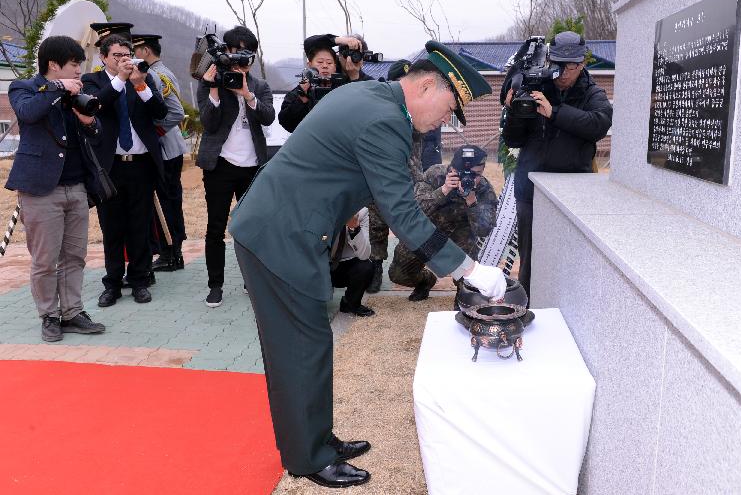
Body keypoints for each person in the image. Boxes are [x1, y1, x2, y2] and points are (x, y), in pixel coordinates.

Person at [230, 40, 506, 488]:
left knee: (311, 341)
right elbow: (402, 212)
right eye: (448, 108)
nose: (445, 123)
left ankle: (317, 438)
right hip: (280, 235)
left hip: (291, 228)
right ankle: (308, 457)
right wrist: (469, 270)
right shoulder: (382, 120)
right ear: (428, 85)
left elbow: (397, 187)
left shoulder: (372, 98)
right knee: (300, 347)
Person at [5, 35, 107, 342]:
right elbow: (27, 113)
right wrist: (58, 88)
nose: (79, 71)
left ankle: (72, 312)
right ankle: (48, 315)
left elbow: (96, 132)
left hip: (76, 187)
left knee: (75, 256)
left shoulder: (79, 91)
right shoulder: (24, 87)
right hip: (40, 189)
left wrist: (88, 121)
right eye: (75, 64)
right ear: (54, 65)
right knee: (45, 259)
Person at [501, 31, 612, 295]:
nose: (563, 72)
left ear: (582, 63)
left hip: (574, 190)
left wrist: (555, 112)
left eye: (571, 65)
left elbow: (599, 123)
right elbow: (514, 140)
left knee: (572, 255)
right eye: (558, 63)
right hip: (531, 189)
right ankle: (527, 303)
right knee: (530, 255)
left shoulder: (591, 92)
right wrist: (515, 111)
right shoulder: (536, 85)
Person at [83, 31, 168, 307]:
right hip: (110, 167)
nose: (123, 60)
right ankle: (113, 282)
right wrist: (120, 79)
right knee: (112, 227)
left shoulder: (142, 77)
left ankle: (140, 280)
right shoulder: (92, 81)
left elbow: (160, 112)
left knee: (140, 225)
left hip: (141, 165)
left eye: (126, 55)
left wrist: (141, 85)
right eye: (117, 55)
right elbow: (97, 106)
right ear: (103, 57)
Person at [196, 25, 275, 308]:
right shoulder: (209, 82)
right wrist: (215, 89)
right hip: (219, 165)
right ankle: (214, 285)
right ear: (225, 53)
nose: (240, 58)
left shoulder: (260, 86)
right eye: (235, 52)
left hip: (252, 166)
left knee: (252, 226)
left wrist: (246, 94)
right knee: (215, 227)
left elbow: (268, 118)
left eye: (247, 54)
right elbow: (208, 123)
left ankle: (251, 280)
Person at [389, 145, 497, 301]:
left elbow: (484, 231)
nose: (470, 179)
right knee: (398, 273)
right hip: (428, 233)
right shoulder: (435, 175)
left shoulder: (484, 189)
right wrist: (443, 190)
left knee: (470, 283)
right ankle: (425, 281)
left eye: (476, 174)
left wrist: (472, 202)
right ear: (451, 169)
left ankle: (463, 295)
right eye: (463, 173)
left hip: (461, 239)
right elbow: (414, 211)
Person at [365, 59, 424, 294]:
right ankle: (376, 266)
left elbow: (417, 150)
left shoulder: (417, 109)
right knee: (376, 224)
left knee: (409, 225)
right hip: (379, 175)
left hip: (408, 174)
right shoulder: (378, 105)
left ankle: (415, 271)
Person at [132, 33, 188, 272]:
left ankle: (171, 253)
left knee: (167, 203)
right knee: (169, 201)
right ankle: (172, 253)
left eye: (134, 51)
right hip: (167, 148)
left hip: (164, 149)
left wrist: (150, 133)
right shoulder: (160, 71)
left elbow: (174, 114)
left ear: (144, 51)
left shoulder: (158, 75)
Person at [279, 33, 373, 133]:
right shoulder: (310, 84)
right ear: (339, 57)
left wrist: (355, 77)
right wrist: (341, 40)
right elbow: (287, 123)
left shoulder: (369, 84)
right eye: (347, 54)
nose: (350, 59)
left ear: (363, 58)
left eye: (356, 55)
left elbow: (365, 115)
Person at [329, 208, 374, 317]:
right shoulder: (324, 209)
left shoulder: (362, 212)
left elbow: (364, 254)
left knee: (366, 267)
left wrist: (355, 228)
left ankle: (350, 303)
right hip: (321, 263)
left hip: (347, 265)